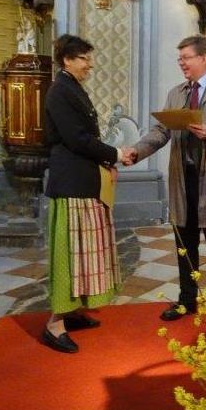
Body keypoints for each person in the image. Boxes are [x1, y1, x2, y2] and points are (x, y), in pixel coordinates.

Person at [124, 35, 206, 322]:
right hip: (183, 180)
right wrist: (137, 151)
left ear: (204, 58)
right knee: (184, 245)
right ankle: (186, 300)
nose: (181, 63)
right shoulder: (177, 93)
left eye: (186, 57)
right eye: (179, 58)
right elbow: (161, 131)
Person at [43, 35, 126, 353]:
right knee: (71, 254)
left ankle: (72, 310)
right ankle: (54, 324)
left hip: (83, 179)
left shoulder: (72, 87)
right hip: (71, 183)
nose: (89, 65)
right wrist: (116, 153)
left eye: (90, 59)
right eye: (84, 59)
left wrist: (106, 161)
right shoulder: (60, 91)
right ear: (67, 59)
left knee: (84, 252)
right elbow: (77, 139)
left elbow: (85, 138)